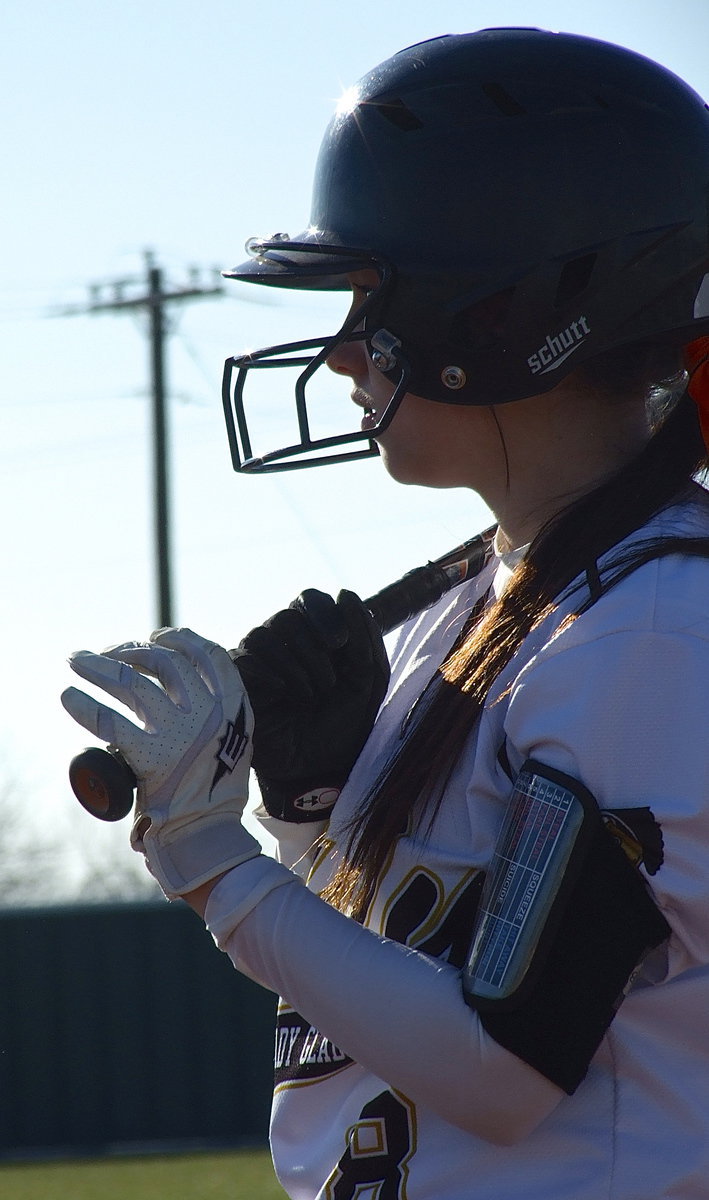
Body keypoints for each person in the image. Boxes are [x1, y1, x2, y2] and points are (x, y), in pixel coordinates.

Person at [62, 28, 709, 1199]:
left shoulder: (652, 630)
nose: (346, 355)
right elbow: (397, 996)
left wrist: (215, 863)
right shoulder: (479, 610)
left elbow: (502, 1065)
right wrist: (316, 825)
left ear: (505, 311)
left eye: (372, 300)